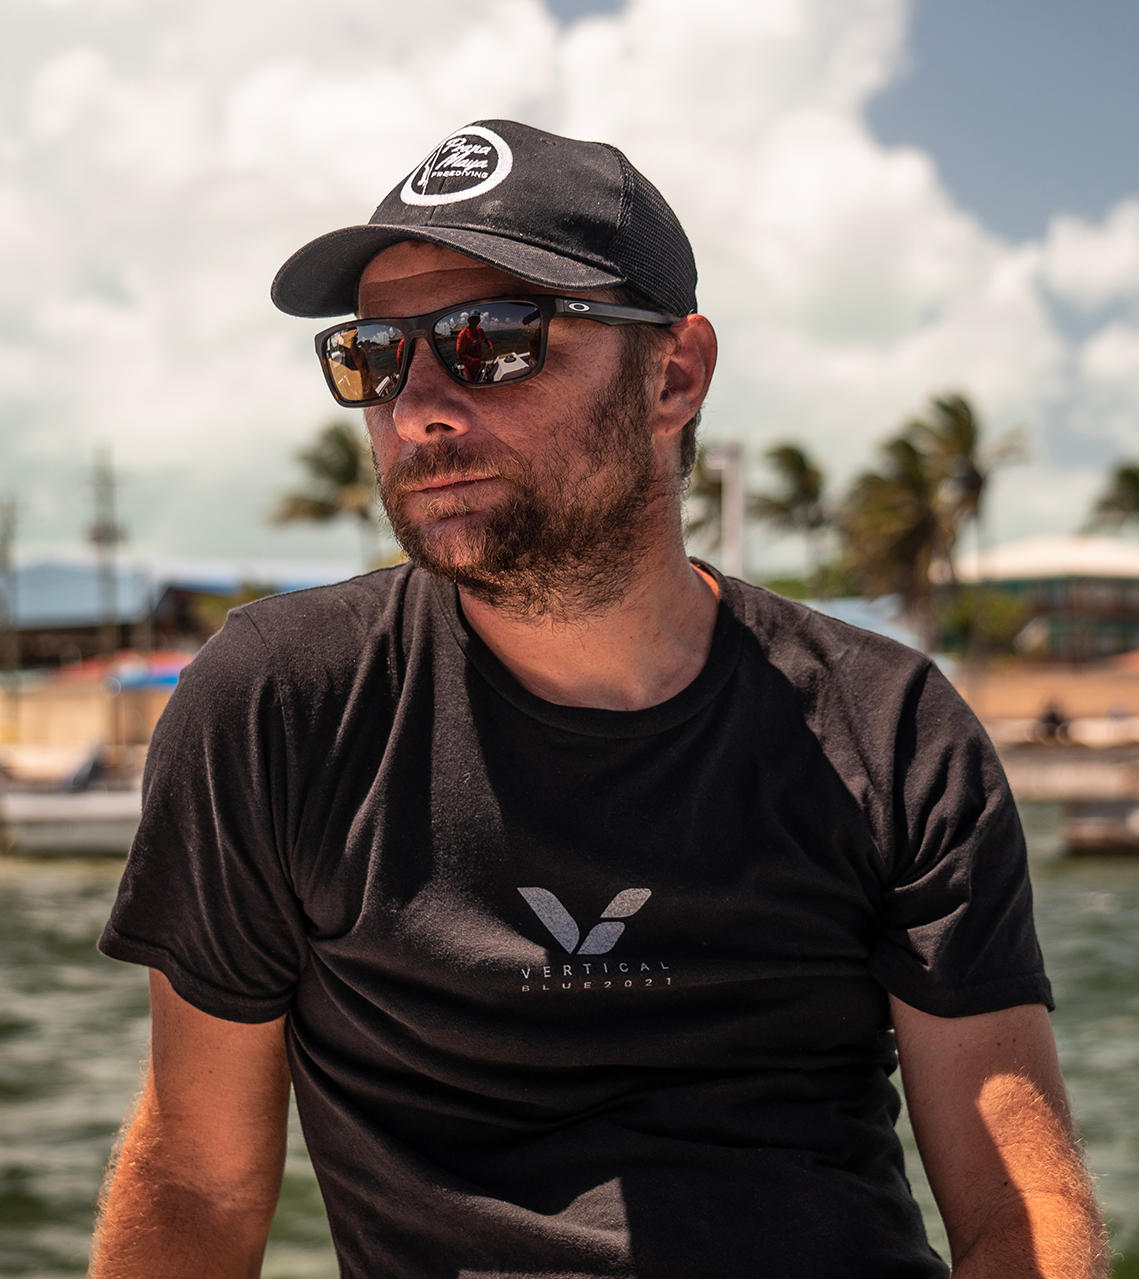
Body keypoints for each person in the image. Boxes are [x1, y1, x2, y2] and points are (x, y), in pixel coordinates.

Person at [92, 120, 1107, 1279]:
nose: (416, 408)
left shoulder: (890, 729)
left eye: (491, 341)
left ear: (672, 375)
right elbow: (196, 1182)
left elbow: (1018, 1204)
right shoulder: (280, 706)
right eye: (372, 355)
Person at [455, 309, 494, 382]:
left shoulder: (480, 330)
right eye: (472, 319)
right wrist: (477, 362)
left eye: (477, 319)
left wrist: (490, 346)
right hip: (470, 369)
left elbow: (485, 339)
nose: (474, 321)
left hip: (480, 364)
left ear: (479, 321)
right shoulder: (463, 335)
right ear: (468, 320)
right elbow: (461, 355)